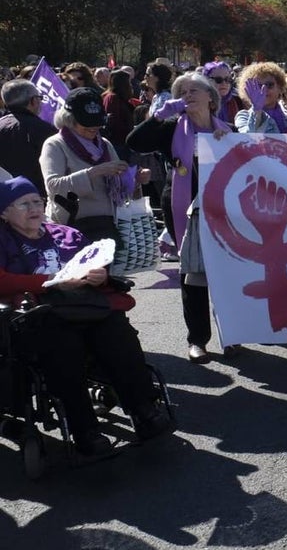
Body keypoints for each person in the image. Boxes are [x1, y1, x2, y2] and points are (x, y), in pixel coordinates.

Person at [0, 176, 173, 454]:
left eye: (37, 201)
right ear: (4, 213)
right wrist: (49, 280)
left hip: (84, 305)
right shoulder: (3, 240)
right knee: (63, 347)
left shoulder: (67, 234)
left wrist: (100, 276)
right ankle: (84, 429)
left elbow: (98, 269)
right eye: (23, 204)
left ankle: (143, 410)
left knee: (117, 333)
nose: (33, 207)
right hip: (38, 315)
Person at [126, 73, 232, 364]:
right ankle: (197, 340)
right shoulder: (172, 128)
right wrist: (159, 116)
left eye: (194, 89)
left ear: (211, 97)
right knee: (193, 273)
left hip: (224, 208)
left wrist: (231, 142)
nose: (188, 94)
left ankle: (232, 332)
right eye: (182, 91)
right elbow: (135, 142)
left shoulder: (227, 129)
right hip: (183, 207)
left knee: (227, 272)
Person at [40, 88, 140, 245]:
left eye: (98, 124)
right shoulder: (55, 144)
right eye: (86, 125)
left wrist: (134, 178)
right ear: (68, 119)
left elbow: (121, 187)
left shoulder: (104, 144)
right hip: (72, 229)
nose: (94, 129)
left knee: (106, 270)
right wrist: (94, 172)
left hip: (107, 226)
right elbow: (53, 186)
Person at [0, 80, 56, 195]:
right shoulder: (44, 129)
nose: (40, 102)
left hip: (5, 197)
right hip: (36, 196)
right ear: (33, 100)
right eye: (39, 98)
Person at [233, 63, 287, 134]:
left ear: (280, 87)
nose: (264, 89)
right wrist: (257, 111)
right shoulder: (243, 116)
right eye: (258, 86)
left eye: (269, 85)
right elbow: (248, 136)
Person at [101, 69, 138, 160]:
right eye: (128, 82)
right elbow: (114, 121)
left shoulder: (111, 97)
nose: (131, 85)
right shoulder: (113, 98)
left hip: (119, 142)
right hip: (118, 143)